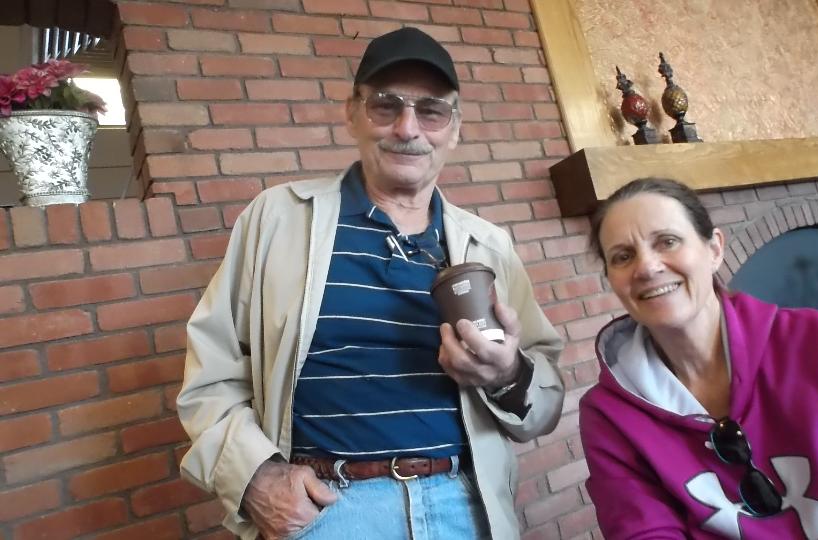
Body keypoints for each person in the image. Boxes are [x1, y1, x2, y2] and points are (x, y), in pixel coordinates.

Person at [177, 27, 564, 540]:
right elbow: (212, 373)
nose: (408, 128)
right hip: (326, 511)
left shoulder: (489, 246)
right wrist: (256, 478)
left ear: (454, 129)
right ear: (353, 113)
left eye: (432, 111)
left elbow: (544, 404)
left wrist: (507, 373)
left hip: (464, 508)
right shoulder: (277, 218)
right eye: (386, 105)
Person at [579, 177, 818, 539]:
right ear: (611, 279)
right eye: (623, 256)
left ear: (714, 249)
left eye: (667, 241)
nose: (646, 267)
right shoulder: (608, 415)